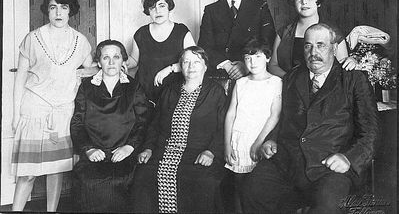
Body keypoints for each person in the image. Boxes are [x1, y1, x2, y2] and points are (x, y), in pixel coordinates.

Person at [241, 23, 379, 214]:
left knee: (327, 207)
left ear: (334, 48)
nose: (314, 52)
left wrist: (349, 158)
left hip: (330, 167)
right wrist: (271, 139)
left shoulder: (354, 79)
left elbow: (370, 131)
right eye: (308, 46)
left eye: (321, 45)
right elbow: (283, 117)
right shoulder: (292, 77)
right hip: (287, 162)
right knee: (252, 189)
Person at [11, 0, 94, 211]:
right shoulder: (33, 38)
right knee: (27, 174)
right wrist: (15, 114)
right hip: (33, 111)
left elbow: (91, 69)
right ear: (47, 11)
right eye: (53, 7)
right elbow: (20, 78)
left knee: (55, 171)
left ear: (71, 11)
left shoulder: (80, 40)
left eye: (64, 7)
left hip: (63, 113)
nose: (58, 12)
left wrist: (107, 66)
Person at [131, 46, 228, 213]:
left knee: (202, 181)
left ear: (205, 66)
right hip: (165, 150)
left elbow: (223, 127)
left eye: (197, 62)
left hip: (199, 152)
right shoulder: (170, 90)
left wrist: (211, 152)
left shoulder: (215, 92)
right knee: (143, 176)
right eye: (186, 62)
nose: (191, 67)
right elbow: (155, 124)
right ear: (180, 66)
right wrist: (148, 148)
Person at [70, 40, 151, 212]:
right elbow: (77, 123)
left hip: (125, 153)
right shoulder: (86, 86)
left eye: (116, 57)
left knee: (127, 180)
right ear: (99, 62)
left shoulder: (134, 86)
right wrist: (89, 149)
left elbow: (143, 121)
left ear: (123, 60)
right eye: (106, 58)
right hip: (95, 152)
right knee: (87, 181)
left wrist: (129, 147)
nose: (112, 62)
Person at [224, 37, 282, 211]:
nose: (252, 62)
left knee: (255, 189)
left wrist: (259, 142)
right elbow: (230, 113)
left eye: (257, 57)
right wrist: (227, 144)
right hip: (238, 139)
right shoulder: (241, 83)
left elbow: (275, 115)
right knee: (237, 188)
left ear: (267, 58)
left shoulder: (275, 82)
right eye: (248, 59)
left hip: (259, 138)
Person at [198, 0, 276, 82]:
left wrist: (246, 65)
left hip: (252, 72)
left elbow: (268, 42)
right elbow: (204, 45)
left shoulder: (260, 7)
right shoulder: (211, 10)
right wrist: (227, 65)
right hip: (220, 75)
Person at [269, 0, 357, 78]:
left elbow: (343, 65)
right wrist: (290, 80)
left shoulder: (333, 32)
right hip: (290, 87)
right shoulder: (284, 32)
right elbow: (273, 65)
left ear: (318, 3)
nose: (304, 2)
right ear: (294, 3)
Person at [126, 0, 196, 103]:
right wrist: (121, 63)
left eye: (161, 5)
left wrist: (170, 69)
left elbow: (194, 61)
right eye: (152, 7)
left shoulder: (181, 31)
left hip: (174, 94)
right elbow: (134, 59)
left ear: (169, 8)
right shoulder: (141, 33)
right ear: (148, 11)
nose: (157, 11)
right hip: (144, 95)